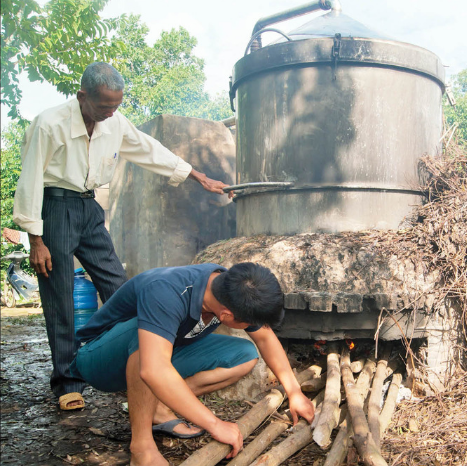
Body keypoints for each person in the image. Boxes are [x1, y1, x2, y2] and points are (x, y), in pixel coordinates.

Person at [12, 62, 232, 411]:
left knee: (120, 286)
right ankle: (68, 380)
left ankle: (133, 364)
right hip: (55, 208)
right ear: (82, 96)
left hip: (89, 210)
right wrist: (35, 239)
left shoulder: (114, 122)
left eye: (116, 105)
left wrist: (199, 176)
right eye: (104, 106)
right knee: (60, 293)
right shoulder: (49, 124)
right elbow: (30, 180)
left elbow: (150, 150)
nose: (111, 112)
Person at [70, 262, 314, 466]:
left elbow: (265, 336)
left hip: (157, 355)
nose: (257, 327)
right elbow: (154, 368)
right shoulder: (166, 292)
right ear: (227, 316)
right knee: (145, 339)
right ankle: (141, 448)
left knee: (244, 354)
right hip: (98, 359)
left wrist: (294, 392)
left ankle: (156, 407)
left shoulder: (227, 289)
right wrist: (214, 424)